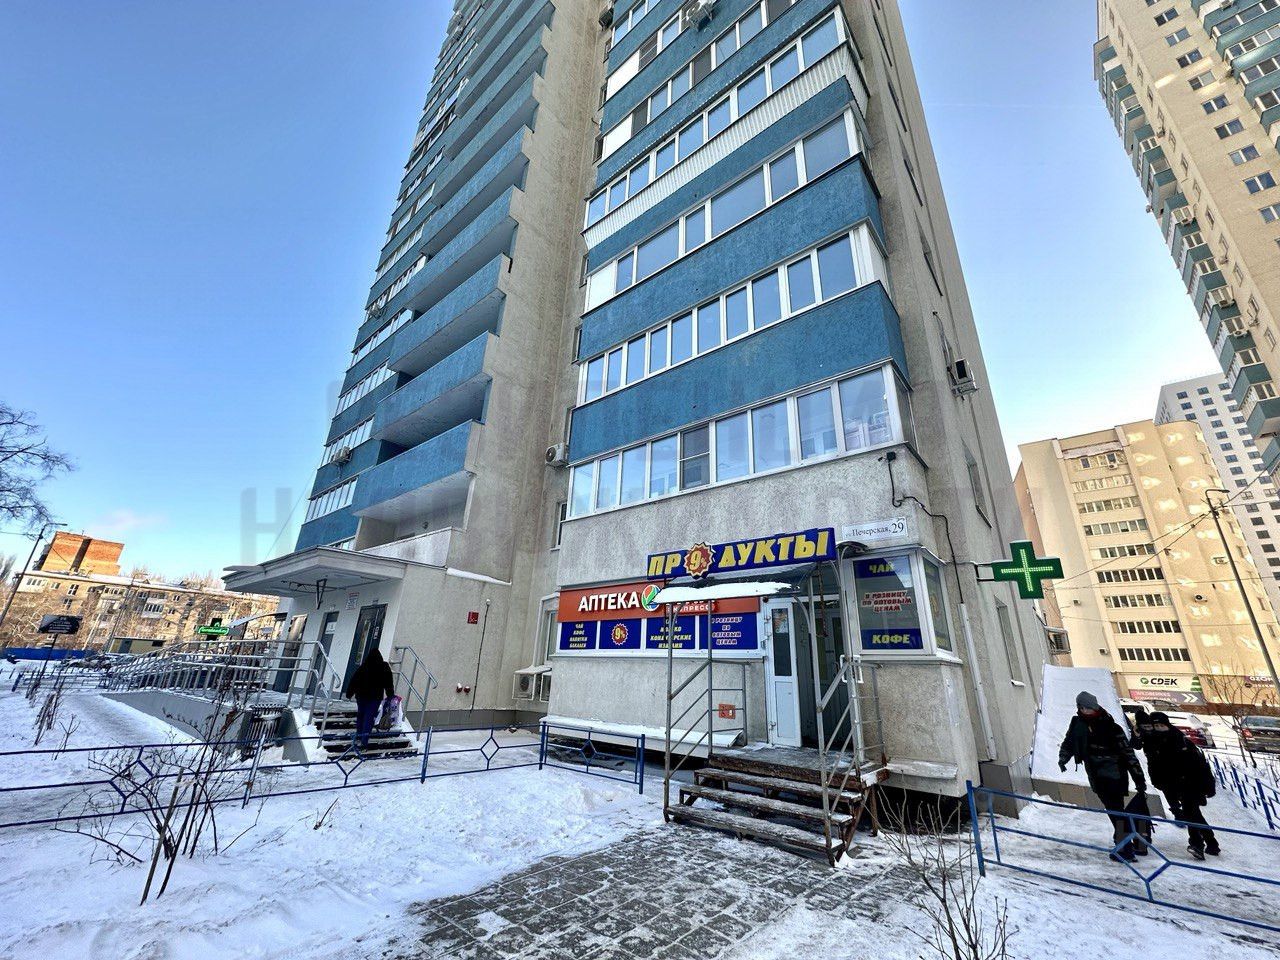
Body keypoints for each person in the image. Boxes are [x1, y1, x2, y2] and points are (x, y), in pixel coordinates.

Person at [1059, 690, 1148, 862]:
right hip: (1096, 776)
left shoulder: (1111, 727)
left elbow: (1128, 754)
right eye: (1082, 708)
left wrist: (1139, 778)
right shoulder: (1078, 724)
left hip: (1114, 776)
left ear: (1095, 707)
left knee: (1116, 812)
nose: (1085, 711)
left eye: (1088, 708)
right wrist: (1063, 758)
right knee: (1115, 811)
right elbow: (1069, 742)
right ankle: (1130, 843)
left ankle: (1126, 849)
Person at [1136, 711, 1220, 861]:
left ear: (1167, 725)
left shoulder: (1180, 740)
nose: (1159, 728)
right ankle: (1211, 842)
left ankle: (1197, 844)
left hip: (1190, 783)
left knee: (1190, 812)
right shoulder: (1151, 742)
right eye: (1156, 726)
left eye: (1161, 725)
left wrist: (1208, 785)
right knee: (1194, 815)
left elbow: (1201, 765)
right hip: (1170, 784)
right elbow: (1152, 764)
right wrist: (1157, 780)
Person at [344, 647, 395, 749]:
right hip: (375, 698)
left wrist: (349, 693)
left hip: (361, 696)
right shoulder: (384, 667)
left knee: (361, 715)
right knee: (369, 717)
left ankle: (359, 735)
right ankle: (364, 741)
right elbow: (389, 682)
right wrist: (390, 695)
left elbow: (354, 681)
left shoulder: (364, 666)